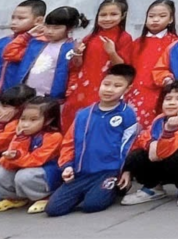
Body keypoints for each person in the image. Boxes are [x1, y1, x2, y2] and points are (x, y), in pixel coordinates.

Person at [46, 62, 139, 216]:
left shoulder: (127, 114)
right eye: (106, 84)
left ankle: (112, 188)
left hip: (108, 172)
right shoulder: (83, 115)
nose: (109, 89)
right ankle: (87, 191)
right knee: (53, 209)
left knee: (93, 205)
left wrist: (126, 170)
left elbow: (130, 145)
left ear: (127, 89)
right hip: (81, 172)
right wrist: (67, 166)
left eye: (117, 86)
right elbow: (69, 143)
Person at [120, 80, 178, 206]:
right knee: (136, 155)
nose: (172, 102)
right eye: (168, 99)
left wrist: (168, 131)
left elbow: (169, 149)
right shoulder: (159, 119)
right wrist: (150, 144)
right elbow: (142, 138)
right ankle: (153, 187)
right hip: (161, 158)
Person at [63, 0, 134, 124]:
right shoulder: (90, 37)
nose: (107, 19)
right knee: (74, 119)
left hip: (105, 87)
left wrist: (112, 53)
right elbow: (77, 65)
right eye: (103, 15)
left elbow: (122, 69)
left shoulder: (124, 38)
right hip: (82, 87)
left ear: (123, 16)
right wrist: (77, 54)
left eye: (113, 14)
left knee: (96, 120)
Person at [0, 98, 63, 213]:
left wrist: (16, 157)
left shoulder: (54, 137)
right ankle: (15, 198)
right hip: (24, 167)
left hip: (46, 171)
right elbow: (6, 162)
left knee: (24, 176)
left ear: (48, 120)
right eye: (23, 119)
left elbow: (36, 160)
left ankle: (45, 196)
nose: (26, 124)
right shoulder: (20, 135)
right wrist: (10, 156)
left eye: (33, 120)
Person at [124, 0, 177, 124]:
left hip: (162, 91)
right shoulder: (137, 43)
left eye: (162, 16)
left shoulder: (175, 43)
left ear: (170, 19)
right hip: (135, 90)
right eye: (151, 16)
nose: (155, 20)